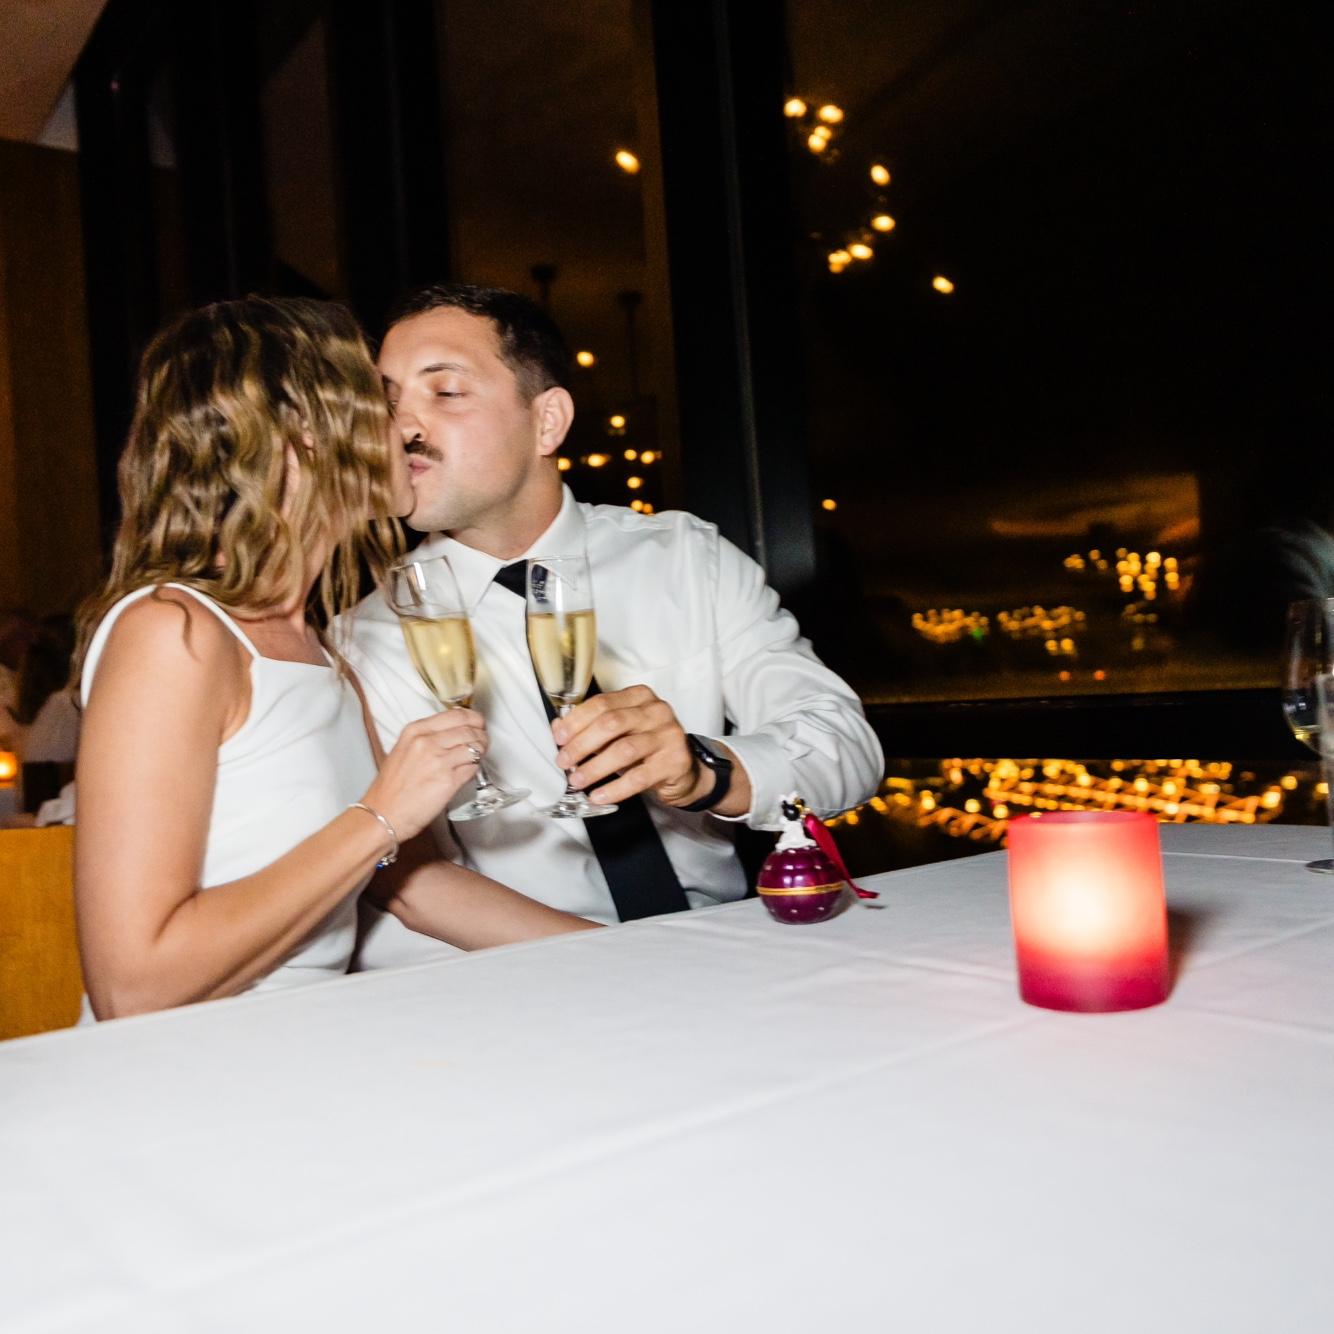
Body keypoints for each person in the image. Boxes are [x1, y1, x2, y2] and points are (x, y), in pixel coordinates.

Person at [75, 296, 596, 1021]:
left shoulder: (322, 652)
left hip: (314, 1040)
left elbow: (412, 883)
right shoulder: (173, 632)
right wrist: (379, 816)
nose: (408, 428)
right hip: (193, 1063)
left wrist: (624, 956)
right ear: (302, 435)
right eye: (381, 401)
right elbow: (131, 987)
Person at [338, 283, 883, 966]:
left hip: (724, 947)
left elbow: (844, 744)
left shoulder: (686, 558)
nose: (402, 429)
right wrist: (636, 966)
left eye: (445, 392)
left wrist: (704, 771)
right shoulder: (364, 637)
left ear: (548, 421)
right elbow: (408, 877)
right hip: (523, 978)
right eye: (389, 401)